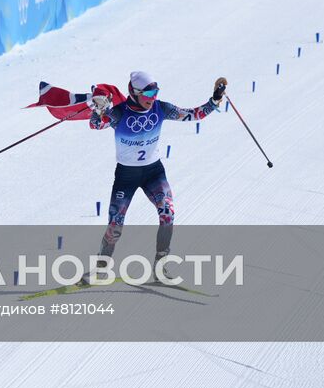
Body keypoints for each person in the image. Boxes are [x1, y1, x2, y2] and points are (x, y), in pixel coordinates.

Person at [86, 72, 228, 271]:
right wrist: (99, 110)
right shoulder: (119, 113)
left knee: (168, 213)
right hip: (126, 176)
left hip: (153, 172)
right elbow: (95, 124)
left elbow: (194, 114)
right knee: (115, 224)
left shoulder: (161, 108)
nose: (153, 97)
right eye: (149, 93)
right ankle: (101, 265)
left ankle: (160, 265)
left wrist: (215, 100)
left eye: (156, 92)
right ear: (134, 93)